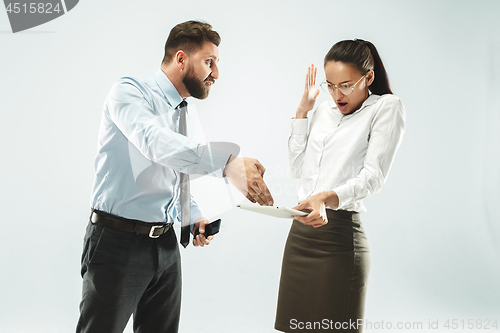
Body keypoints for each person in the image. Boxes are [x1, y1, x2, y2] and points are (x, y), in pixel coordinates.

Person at [77, 20, 274, 333]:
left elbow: (173, 172)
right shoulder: (129, 92)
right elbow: (156, 144)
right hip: (117, 242)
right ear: (182, 59)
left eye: (217, 64)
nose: (216, 73)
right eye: (209, 62)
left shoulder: (186, 110)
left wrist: (192, 214)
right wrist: (227, 164)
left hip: (166, 244)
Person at [274, 39, 405, 333]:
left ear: (368, 78)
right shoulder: (323, 111)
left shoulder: (385, 107)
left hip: (339, 239)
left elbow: (373, 178)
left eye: (345, 85)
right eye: (330, 85)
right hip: (300, 236)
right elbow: (299, 169)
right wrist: (301, 113)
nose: (336, 94)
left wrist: (325, 197)